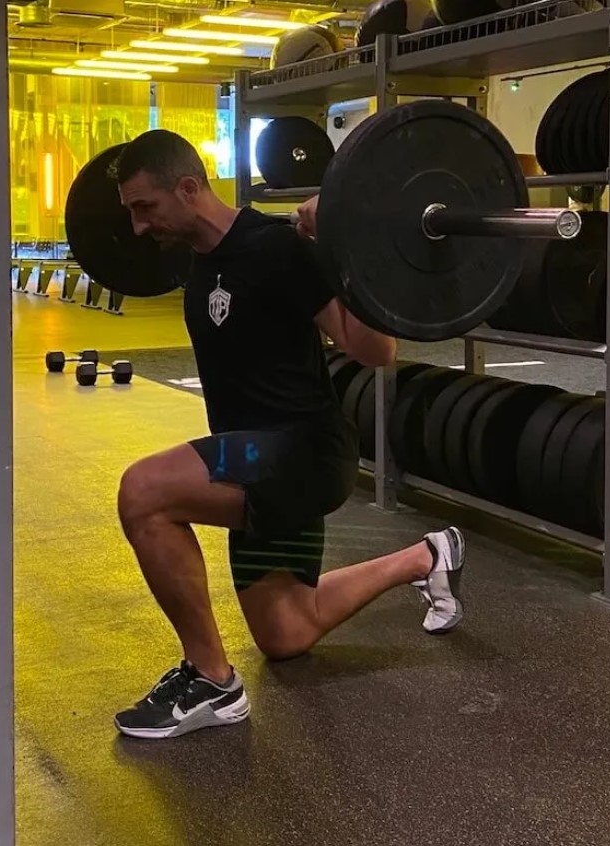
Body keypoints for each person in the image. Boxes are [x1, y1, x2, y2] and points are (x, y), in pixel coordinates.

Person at [113, 129, 466, 740]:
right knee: (287, 634)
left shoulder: (282, 249)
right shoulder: (200, 259)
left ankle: (211, 682)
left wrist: (341, 241)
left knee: (143, 492)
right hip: (256, 460)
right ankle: (427, 555)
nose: (140, 227)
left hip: (300, 451)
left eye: (146, 207)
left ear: (189, 188)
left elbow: (376, 349)